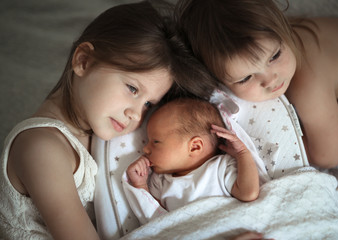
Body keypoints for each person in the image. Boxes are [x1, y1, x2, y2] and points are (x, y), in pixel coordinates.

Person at [0, 1, 217, 239]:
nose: (136, 114)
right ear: (83, 61)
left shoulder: (91, 130)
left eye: (148, 104)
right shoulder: (41, 148)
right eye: (133, 89)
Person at [174, 0, 338, 168]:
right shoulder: (269, 37)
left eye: (275, 56)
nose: (270, 80)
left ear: (282, 27)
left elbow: (329, 157)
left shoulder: (308, 86)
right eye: (246, 78)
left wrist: (269, 151)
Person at [126, 98, 260, 214]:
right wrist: (141, 185)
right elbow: (157, 221)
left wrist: (242, 153)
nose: (145, 149)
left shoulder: (220, 167)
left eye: (155, 142)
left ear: (195, 147)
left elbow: (248, 193)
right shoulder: (159, 182)